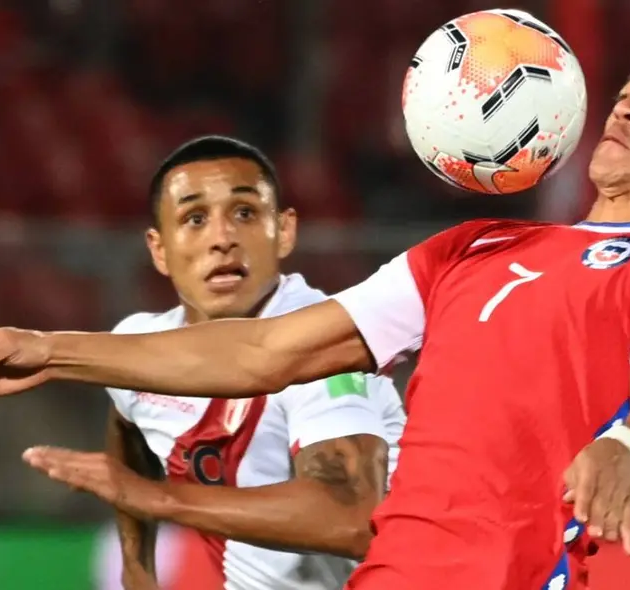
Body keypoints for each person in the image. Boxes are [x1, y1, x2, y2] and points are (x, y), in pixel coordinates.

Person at [0, 49, 630, 590]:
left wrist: (626, 445)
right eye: (629, 93)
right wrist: (47, 350)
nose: (628, 107)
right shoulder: (474, 246)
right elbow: (264, 350)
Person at [30, 136, 408, 589]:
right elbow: (128, 428)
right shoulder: (141, 346)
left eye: (245, 213)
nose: (223, 239)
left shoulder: (326, 348)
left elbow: (352, 519)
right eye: (195, 218)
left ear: (284, 231)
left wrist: (157, 499)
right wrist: (137, 566)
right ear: (159, 250)